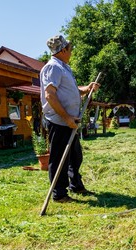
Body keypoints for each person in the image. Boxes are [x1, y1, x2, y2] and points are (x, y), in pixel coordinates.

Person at [40, 35, 100, 203]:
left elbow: (71, 91)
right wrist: (66, 118)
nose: (71, 51)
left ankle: (75, 184)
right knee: (59, 158)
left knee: (75, 156)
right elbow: (50, 95)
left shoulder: (64, 67)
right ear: (63, 50)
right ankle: (59, 194)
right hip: (59, 121)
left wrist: (86, 88)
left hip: (70, 120)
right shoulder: (53, 68)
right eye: (69, 48)